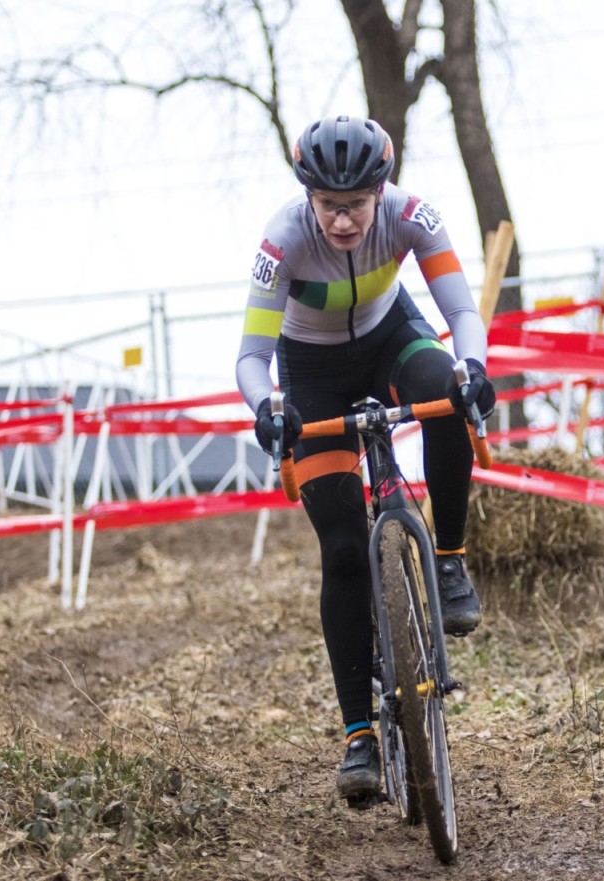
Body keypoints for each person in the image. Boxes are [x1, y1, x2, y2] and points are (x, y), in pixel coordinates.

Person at [235, 114, 495, 801]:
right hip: (313, 372)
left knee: (444, 392)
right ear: (308, 198)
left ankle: (449, 561)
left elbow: (462, 311)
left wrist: (472, 367)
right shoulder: (281, 240)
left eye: (355, 205)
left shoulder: (413, 215)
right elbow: (252, 358)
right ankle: (358, 733)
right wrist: (269, 407)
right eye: (329, 206)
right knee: (345, 548)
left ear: (380, 191)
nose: (344, 221)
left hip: (390, 339)